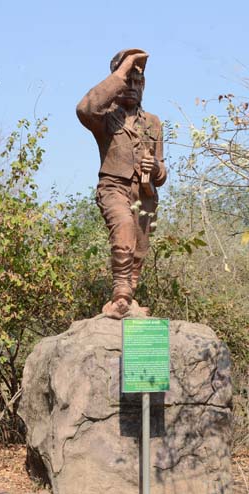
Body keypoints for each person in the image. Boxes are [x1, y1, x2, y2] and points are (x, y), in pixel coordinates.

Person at [77, 48, 167, 319]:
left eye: (138, 82)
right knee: (124, 228)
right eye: (128, 80)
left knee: (139, 248)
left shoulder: (152, 122)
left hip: (144, 193)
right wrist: (121, 70)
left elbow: (162, 172)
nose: (133, 86)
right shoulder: (105, 118)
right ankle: (121, 295)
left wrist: (157, 169)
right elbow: (85, 108)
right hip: (113, 186)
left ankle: (129, 300)